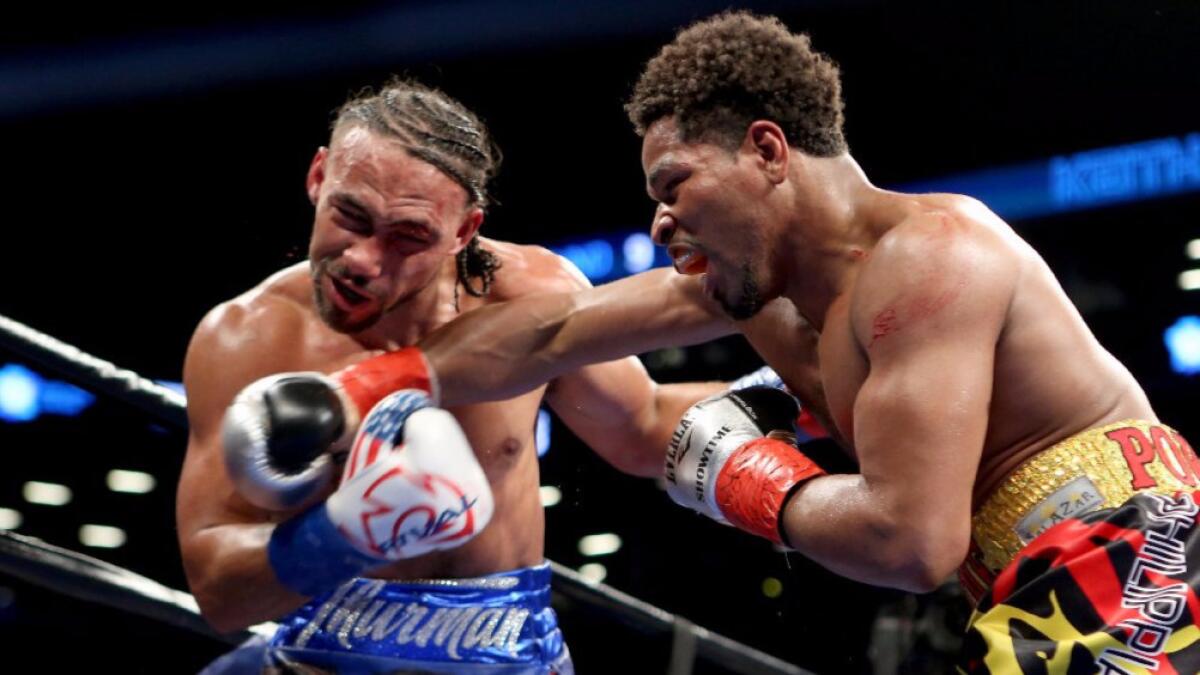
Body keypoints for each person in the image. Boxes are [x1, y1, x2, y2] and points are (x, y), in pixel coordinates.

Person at [252, 12, 1200, 673]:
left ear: (768, 150)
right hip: (1030, 580)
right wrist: (371, 381)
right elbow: (555, 330)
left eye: (674, 185)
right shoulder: (760, 293)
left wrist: (736, 473)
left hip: (1133, 548)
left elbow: (911, 540)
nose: (661, 223)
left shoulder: (931, 259)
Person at [175, 77, 737, 674]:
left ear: (463, 232)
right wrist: (348, 531)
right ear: (318, 178)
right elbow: (218, 590)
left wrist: (792, 401)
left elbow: (643, 426)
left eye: (408, 237)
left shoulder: (532, 297)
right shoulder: (247, 337)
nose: (363, 259)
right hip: (324, 655)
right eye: (351, 215)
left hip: (511, 657)